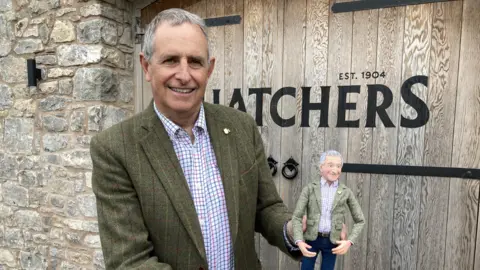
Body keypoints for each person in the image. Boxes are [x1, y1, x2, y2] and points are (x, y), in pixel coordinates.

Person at [90, 8, 303, 270]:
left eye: (194, 61)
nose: (184, 74)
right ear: (146, 66)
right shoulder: (115, 148)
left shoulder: (240, 127)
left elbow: (265, 206)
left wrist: (294, 230)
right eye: (170, 60)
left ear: (209, 68)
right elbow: (130, 260)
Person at [291, 150, 365, 270]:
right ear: (321, 167)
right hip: (311, 240)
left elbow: (360, 220)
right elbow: (297, 217)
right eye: (330, 165)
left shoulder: (346, 192)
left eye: (338, 166)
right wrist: (299, 240)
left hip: (332, 242)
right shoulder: (310, 189)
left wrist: (349, 241)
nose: (334, 169)